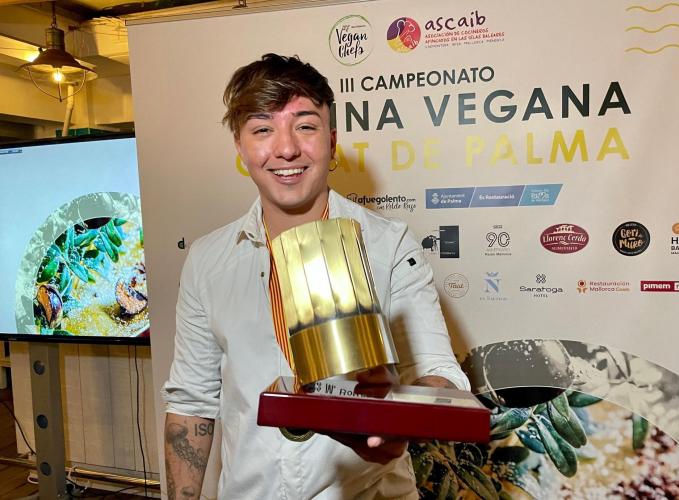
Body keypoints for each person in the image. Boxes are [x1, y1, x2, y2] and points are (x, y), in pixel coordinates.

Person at [162, 53, 469, 499]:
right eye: (262, 129)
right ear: (240, 147)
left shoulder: (389, 246)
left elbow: (439, 374)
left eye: (305, 126)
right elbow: (191, 403)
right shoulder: (208, 260)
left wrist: (400, 418)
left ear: (332, 140)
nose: (286, 148)